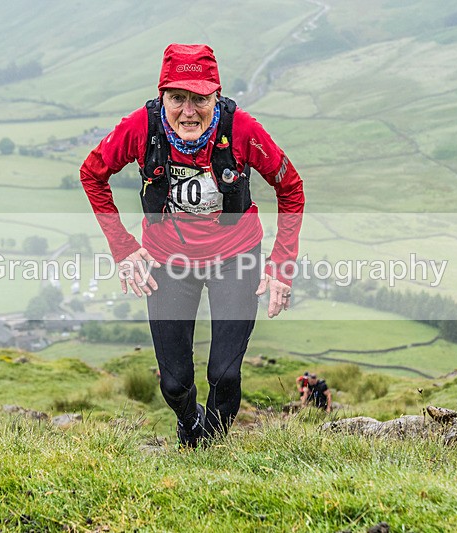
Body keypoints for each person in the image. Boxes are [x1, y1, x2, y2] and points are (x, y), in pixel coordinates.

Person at [79, 43, 304, 448]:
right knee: (174, 382)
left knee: (225, 374)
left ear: (216, 94)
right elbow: (92, 173)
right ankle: (188, 420)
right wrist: (124, 247)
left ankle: (211, 447)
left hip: (235, 258)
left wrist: (281, 263)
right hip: (167, 260)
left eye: (200, 98)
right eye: (176, 98)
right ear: (161, 95)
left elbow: (290, 186)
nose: (188, 110)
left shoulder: (242, 130)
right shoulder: (139, 128)